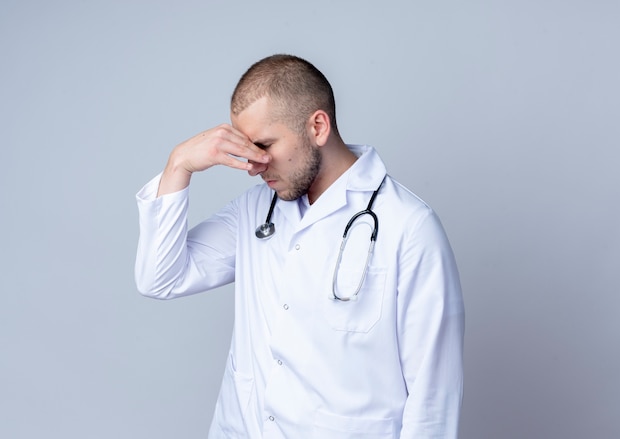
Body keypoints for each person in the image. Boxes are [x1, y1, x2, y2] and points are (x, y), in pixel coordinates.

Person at [135, 54, 465, 439]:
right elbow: (159, 279)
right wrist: (179, 165)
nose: (254, 165)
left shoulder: (409, 227)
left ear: (318, 127)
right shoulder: (255, 212)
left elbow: (433, 399)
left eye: (265, 145)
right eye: (247, 148)